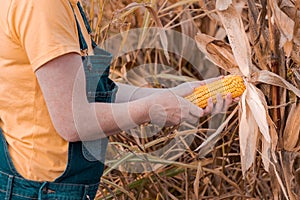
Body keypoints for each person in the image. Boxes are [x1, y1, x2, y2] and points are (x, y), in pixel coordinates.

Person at [0, 0, 234, 199]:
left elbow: (94, 92)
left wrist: (175, 93)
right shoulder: (42, 7)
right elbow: (71, 122)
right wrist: (150, 110)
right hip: (40, 189)